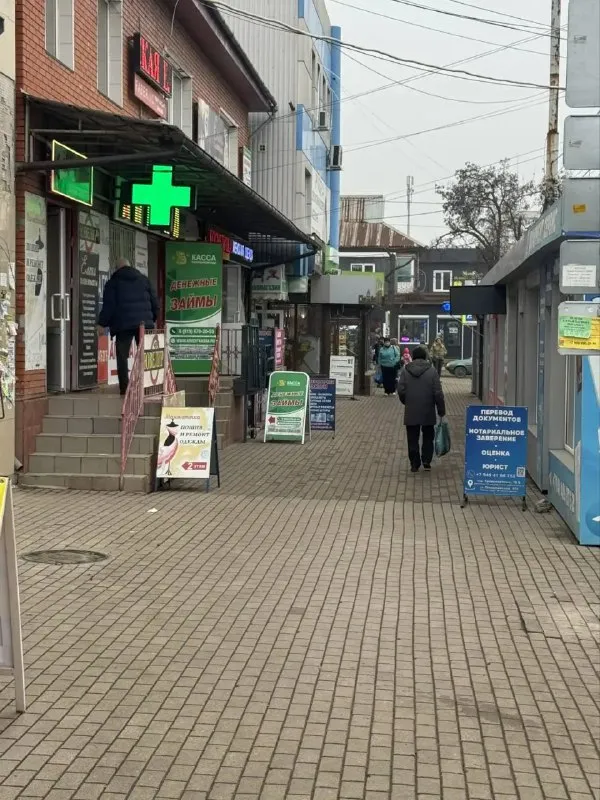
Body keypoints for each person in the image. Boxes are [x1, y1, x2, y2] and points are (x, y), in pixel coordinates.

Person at [98, 257, 159, 395]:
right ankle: (146, 385)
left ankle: (124, 388)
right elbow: (155, 302)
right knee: (145, 354)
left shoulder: (113, 283)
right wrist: (152, 319)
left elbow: (109, 306)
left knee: (122, 356)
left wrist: (102, 323)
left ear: (117, 268)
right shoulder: (144, 280)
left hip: (123, 324)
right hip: (144, 324)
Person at [398, 345, 446, 472]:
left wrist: (406, 401)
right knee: (428, 436)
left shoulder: (406, 371)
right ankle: (426, 460)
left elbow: (401, 390)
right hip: (428, 410)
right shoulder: (432, 371)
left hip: (411, 410)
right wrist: (441, 409)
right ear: (425, 357)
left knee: (412, 437)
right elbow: (438, 392)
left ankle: (414, 463)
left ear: (413, 357)